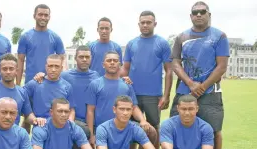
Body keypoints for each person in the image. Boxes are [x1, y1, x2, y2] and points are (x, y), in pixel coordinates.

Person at [170, 1, 229, 149]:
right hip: (184, 91)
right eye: (195, 12)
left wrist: (202, 87)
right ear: (190, 16)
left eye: (202, 12)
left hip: (210, 92)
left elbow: (222, 66)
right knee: (176, 128)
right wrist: (190, 84)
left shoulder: (220, 36)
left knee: (214, 130)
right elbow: (175, 63)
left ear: (209, 15)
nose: (199, 15)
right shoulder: (181, 37)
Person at [121, 10, 173, 148]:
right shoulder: (131, 44)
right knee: (131, 126)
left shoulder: (162, 43)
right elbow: (125, 69)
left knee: (154, 127)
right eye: (142, 22)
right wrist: (121, 82)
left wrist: (166, 96)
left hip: (153, 95)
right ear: (138, 24)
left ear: (154, 24)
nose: (145, 25)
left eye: (148, 22)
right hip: (132, 94)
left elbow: (169, 71)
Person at [86, 51, 157, 148]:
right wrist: (91, 134)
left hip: (124, 126)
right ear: (103, 64)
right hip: (104, 129)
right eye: (109, 60)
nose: (112, 63)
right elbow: (90, 110)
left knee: (151, 131)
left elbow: (134, 107)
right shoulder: (95, 84)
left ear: (119, 64)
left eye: (115, 61)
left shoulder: (126, 85)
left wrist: (142, 120)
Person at [0, 53, 46, 127]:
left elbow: (28, 115)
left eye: (11, 69)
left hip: (13, 136)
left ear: (16, 71)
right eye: (5, 69)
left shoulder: (22, 92)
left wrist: (36, 120)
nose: (8, 72)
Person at [16, 4, 66, 86]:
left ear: (49, 17)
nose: (43, 17)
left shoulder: (56, 38)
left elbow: (63, 61)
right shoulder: (25, 37)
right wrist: (18, 86)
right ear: (34, 16)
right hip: (30, 84)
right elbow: (20, 62)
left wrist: (61, 83)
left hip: (50, 84)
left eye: (46, 15)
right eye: (40, 14)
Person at [24, 54, 74, 126]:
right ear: (46, 67)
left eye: (56, 66)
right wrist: (31, 118)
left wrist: (70, 122)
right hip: (41, 125)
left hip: (60, 125)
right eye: (50, 66)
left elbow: (71, 109)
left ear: (61, 68)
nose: (53, 70)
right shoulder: (35, 83)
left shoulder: (67, 86)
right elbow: (20, 99)